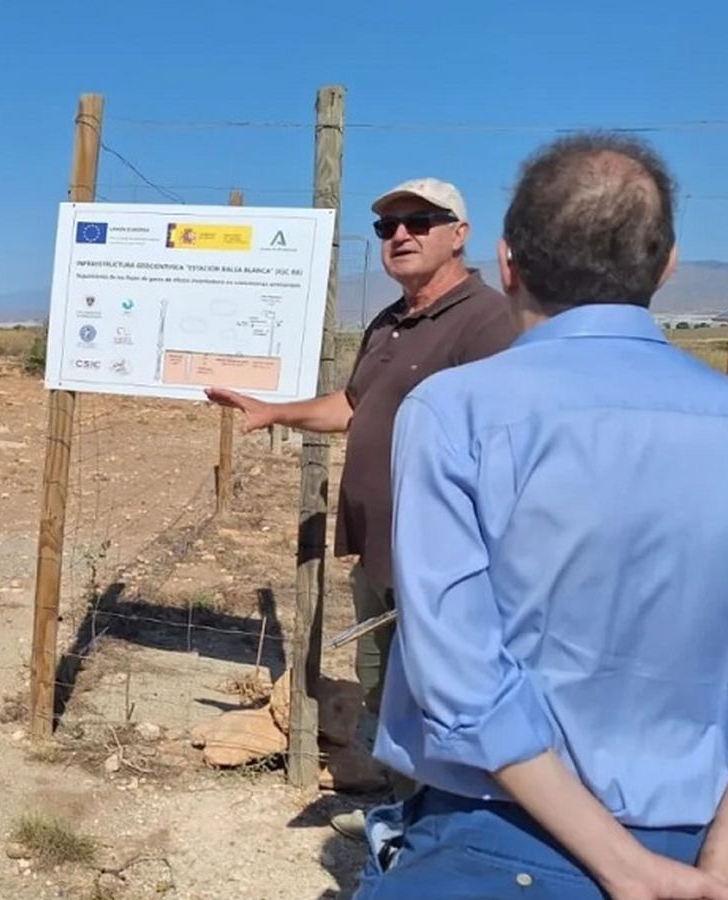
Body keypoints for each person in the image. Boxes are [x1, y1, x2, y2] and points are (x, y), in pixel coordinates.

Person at [356, 134, 728, 899]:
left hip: (491, 839)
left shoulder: (455, 413)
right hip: (700, 844)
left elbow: (463, 681)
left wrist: (619, 866)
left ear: (506, 262)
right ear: (668, 263)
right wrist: (713, 877)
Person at [204, 178, 517, 836]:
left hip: (443, 561)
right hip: (380, 552)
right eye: (387, 227)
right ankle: (412, 818)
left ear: (458, 234)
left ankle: (453, 836)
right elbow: (353, 407)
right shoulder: (391, 321)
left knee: (442, 701)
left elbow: (506, 440)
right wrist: (275, 410)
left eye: (420, 221)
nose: (400, 234)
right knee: (385, 694)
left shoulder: (487, 321)